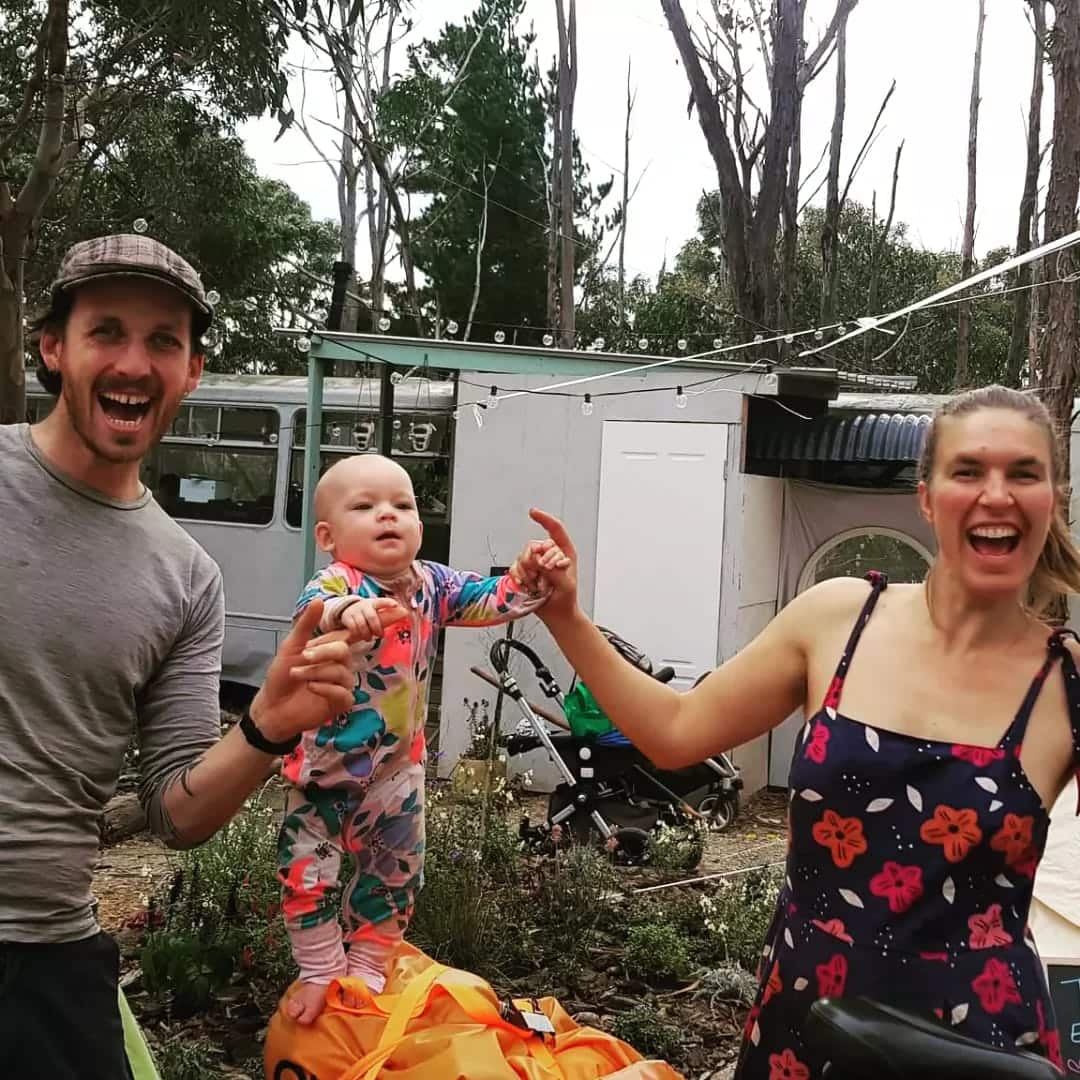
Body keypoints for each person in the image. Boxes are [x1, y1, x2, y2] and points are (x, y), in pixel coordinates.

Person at [524, 385, 1080, 1077]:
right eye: (968, 470)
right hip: (805, 1017)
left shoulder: (1066, 682)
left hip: (978, 1045)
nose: (996, 494)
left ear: (1052, 499)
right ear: (927, 498)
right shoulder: (839, 621)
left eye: (1023, 473)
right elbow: (675, 731)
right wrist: (567, 618)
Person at [0, 234, 358, 1079]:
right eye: (106, 331)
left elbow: (177, 814)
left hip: (43, 966)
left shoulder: (189, 578)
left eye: (163, 340)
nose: (134, 362)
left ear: (191, 370)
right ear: (54, 348)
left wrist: (268, 725)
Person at [277, 453, 562, 1024]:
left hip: (398, 774)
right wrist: (347, 612)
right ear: (328, 537)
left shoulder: (430, 583)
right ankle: (319, 967)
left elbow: (490, 598)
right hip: (325, 772)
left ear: (419, 526)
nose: (388, 515)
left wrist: (529, 576)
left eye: (402, 505)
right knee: (307, 872)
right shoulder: (339, 583)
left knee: (399, 872)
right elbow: (315, 609)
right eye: (366, 506)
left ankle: (369, 961)